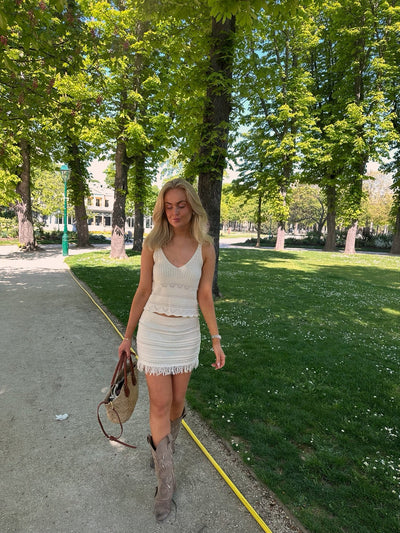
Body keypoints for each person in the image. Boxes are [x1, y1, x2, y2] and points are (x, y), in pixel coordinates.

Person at [118, 178, 226, 522]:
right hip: (154, 332)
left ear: (192, 206)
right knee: (161, 404)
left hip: (186, 333)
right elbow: (143, 290)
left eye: (180, 205)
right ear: (162, 210)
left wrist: (215, 338)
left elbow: (204, 294)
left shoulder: (206, 247)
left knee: (178, 402)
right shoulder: (153, 243)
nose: (174, 212)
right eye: (168, 206)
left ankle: (164, 448)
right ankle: (166, 482)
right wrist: (127, 336)